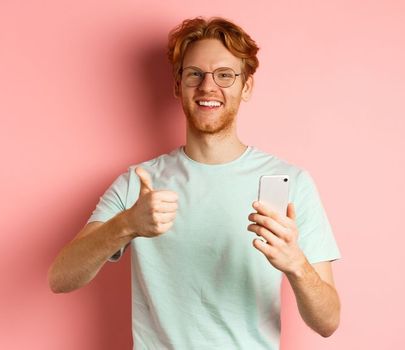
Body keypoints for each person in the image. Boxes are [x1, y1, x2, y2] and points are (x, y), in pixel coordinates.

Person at [48, 16, 341, 349]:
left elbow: (328, 322)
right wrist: (126, 224)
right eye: (195, 74)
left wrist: (296, 265)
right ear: (178, 85)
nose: (208, 87)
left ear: (246, 86)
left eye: (225, 75)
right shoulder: (139, 183)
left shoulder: (293, 184)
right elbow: (61, 278)